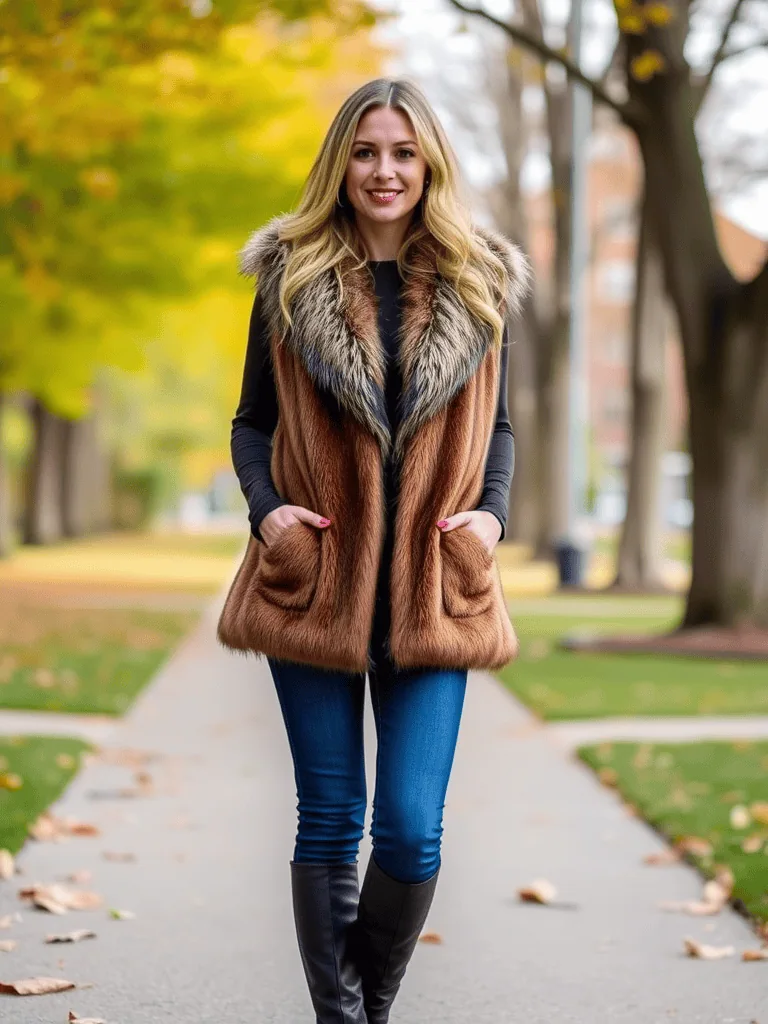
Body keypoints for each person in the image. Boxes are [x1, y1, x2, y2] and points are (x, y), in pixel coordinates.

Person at [218, 77, 529, 1023]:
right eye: (364, 151)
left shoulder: (480, 280)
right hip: (313, 582)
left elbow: (503, 428)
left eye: (401, 151)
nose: (384, 170)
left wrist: (493, 517)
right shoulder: (290, 279)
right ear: (338, 164)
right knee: (330, 815)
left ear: (428, 160)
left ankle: (364, 1006)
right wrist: (267, 510)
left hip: (438, 587)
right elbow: (248, 424)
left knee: (408, 831)